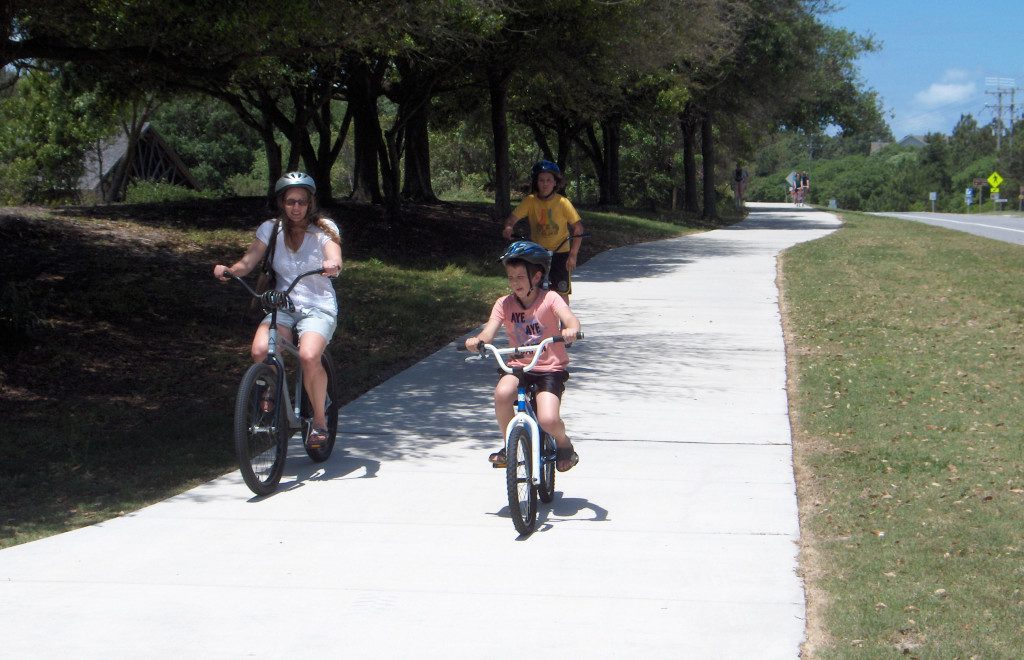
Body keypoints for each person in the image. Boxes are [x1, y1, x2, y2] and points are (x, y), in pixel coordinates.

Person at [212, 172, 342, 449]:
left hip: (318, 307)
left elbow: (334, 255)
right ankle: (271, 387)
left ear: (311, 203)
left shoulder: (324, 230)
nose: (296, 207)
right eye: (291, 201)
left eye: (302, 202)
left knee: (308, 355)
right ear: (282, 202)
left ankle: (319, 421)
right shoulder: (270, 230)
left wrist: (333, 265)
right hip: (282, 304)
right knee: (261, 350)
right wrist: (230, 271)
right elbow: (248, 262)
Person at [465, 241, 582, 472]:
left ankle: (563, 443)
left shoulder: (550, 299)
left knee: (548, 420)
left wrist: (570, 330)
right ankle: (510, 445)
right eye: (510, 277)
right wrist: (478, 341)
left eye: (519, 277)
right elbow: (489, 332)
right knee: (502, 394)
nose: (514, 282)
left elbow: (570, 320)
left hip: (549, 368)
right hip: (518, 366)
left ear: (536, 277)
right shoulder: (504, 304)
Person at [500, 160, 584, 302]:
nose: (545, 184)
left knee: (561, 291)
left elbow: (578, 227)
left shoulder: (562, 202)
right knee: (534, 289)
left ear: (555, 183)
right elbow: (511, 219)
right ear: (536, 182)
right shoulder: (530, 201)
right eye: (541, 180)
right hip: (537, 252)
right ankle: (536, 321)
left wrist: (573, 255)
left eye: (549, 180)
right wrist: (509, 227)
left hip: (561, 252)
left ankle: (565, 323)